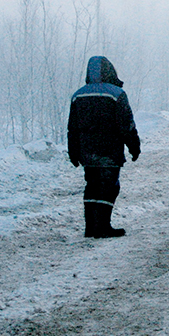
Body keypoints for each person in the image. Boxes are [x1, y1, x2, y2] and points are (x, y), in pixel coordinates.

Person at [67, 56, 141, 239]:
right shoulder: (116, 94)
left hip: (87, 152)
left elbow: (72, 128)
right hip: (109, 151)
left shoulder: (78, 95)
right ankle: (103, 227)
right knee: (109, 187)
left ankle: (90, 227)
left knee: (91, 186)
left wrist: (73, 152)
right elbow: (126, 125)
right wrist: (134, 146)